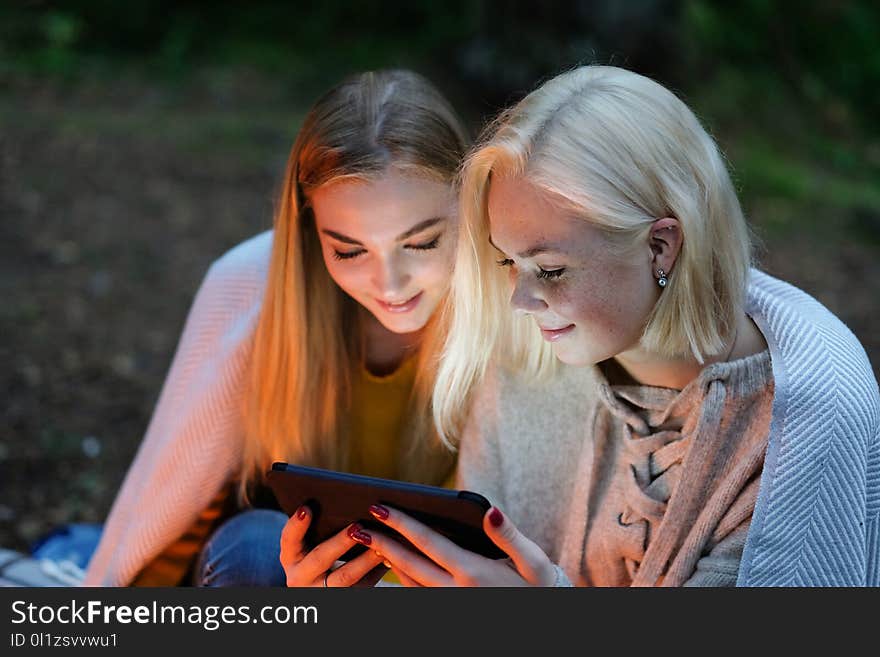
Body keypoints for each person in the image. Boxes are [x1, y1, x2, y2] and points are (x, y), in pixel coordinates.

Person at [348, 65, 880, 586]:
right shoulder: (530, 355)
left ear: (660, 246)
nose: (521, 301)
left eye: (551, 270)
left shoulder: (805, 421)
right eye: (507, 262)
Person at [81, 69, 469, 587]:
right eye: (348, 250)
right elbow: (171, 495)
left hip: (439, 585)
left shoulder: (521, 303)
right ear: (309, 229)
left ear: (468, 205)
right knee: (255, 549)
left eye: (421, 243)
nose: (390, 284)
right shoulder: (249, 286)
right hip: (282, 565)